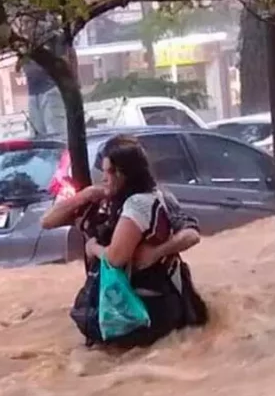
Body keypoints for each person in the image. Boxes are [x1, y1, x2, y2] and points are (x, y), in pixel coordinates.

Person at [41, 135, 208, 347]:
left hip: (144, 308)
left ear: (126, 174)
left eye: (111, 172)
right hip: (112, 306)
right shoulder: (99, 202)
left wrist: (155, 252)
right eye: (104, 171)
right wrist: (84, 195)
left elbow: (190, 234)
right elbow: (47, 221)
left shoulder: (149, 201)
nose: (105, 178)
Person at [22, 32, 68, 136]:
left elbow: (64, 61)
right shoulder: (23, 40)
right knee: (37, 137)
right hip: (33, 92)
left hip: (50, 90)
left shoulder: (52, 35)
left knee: (55, 135)